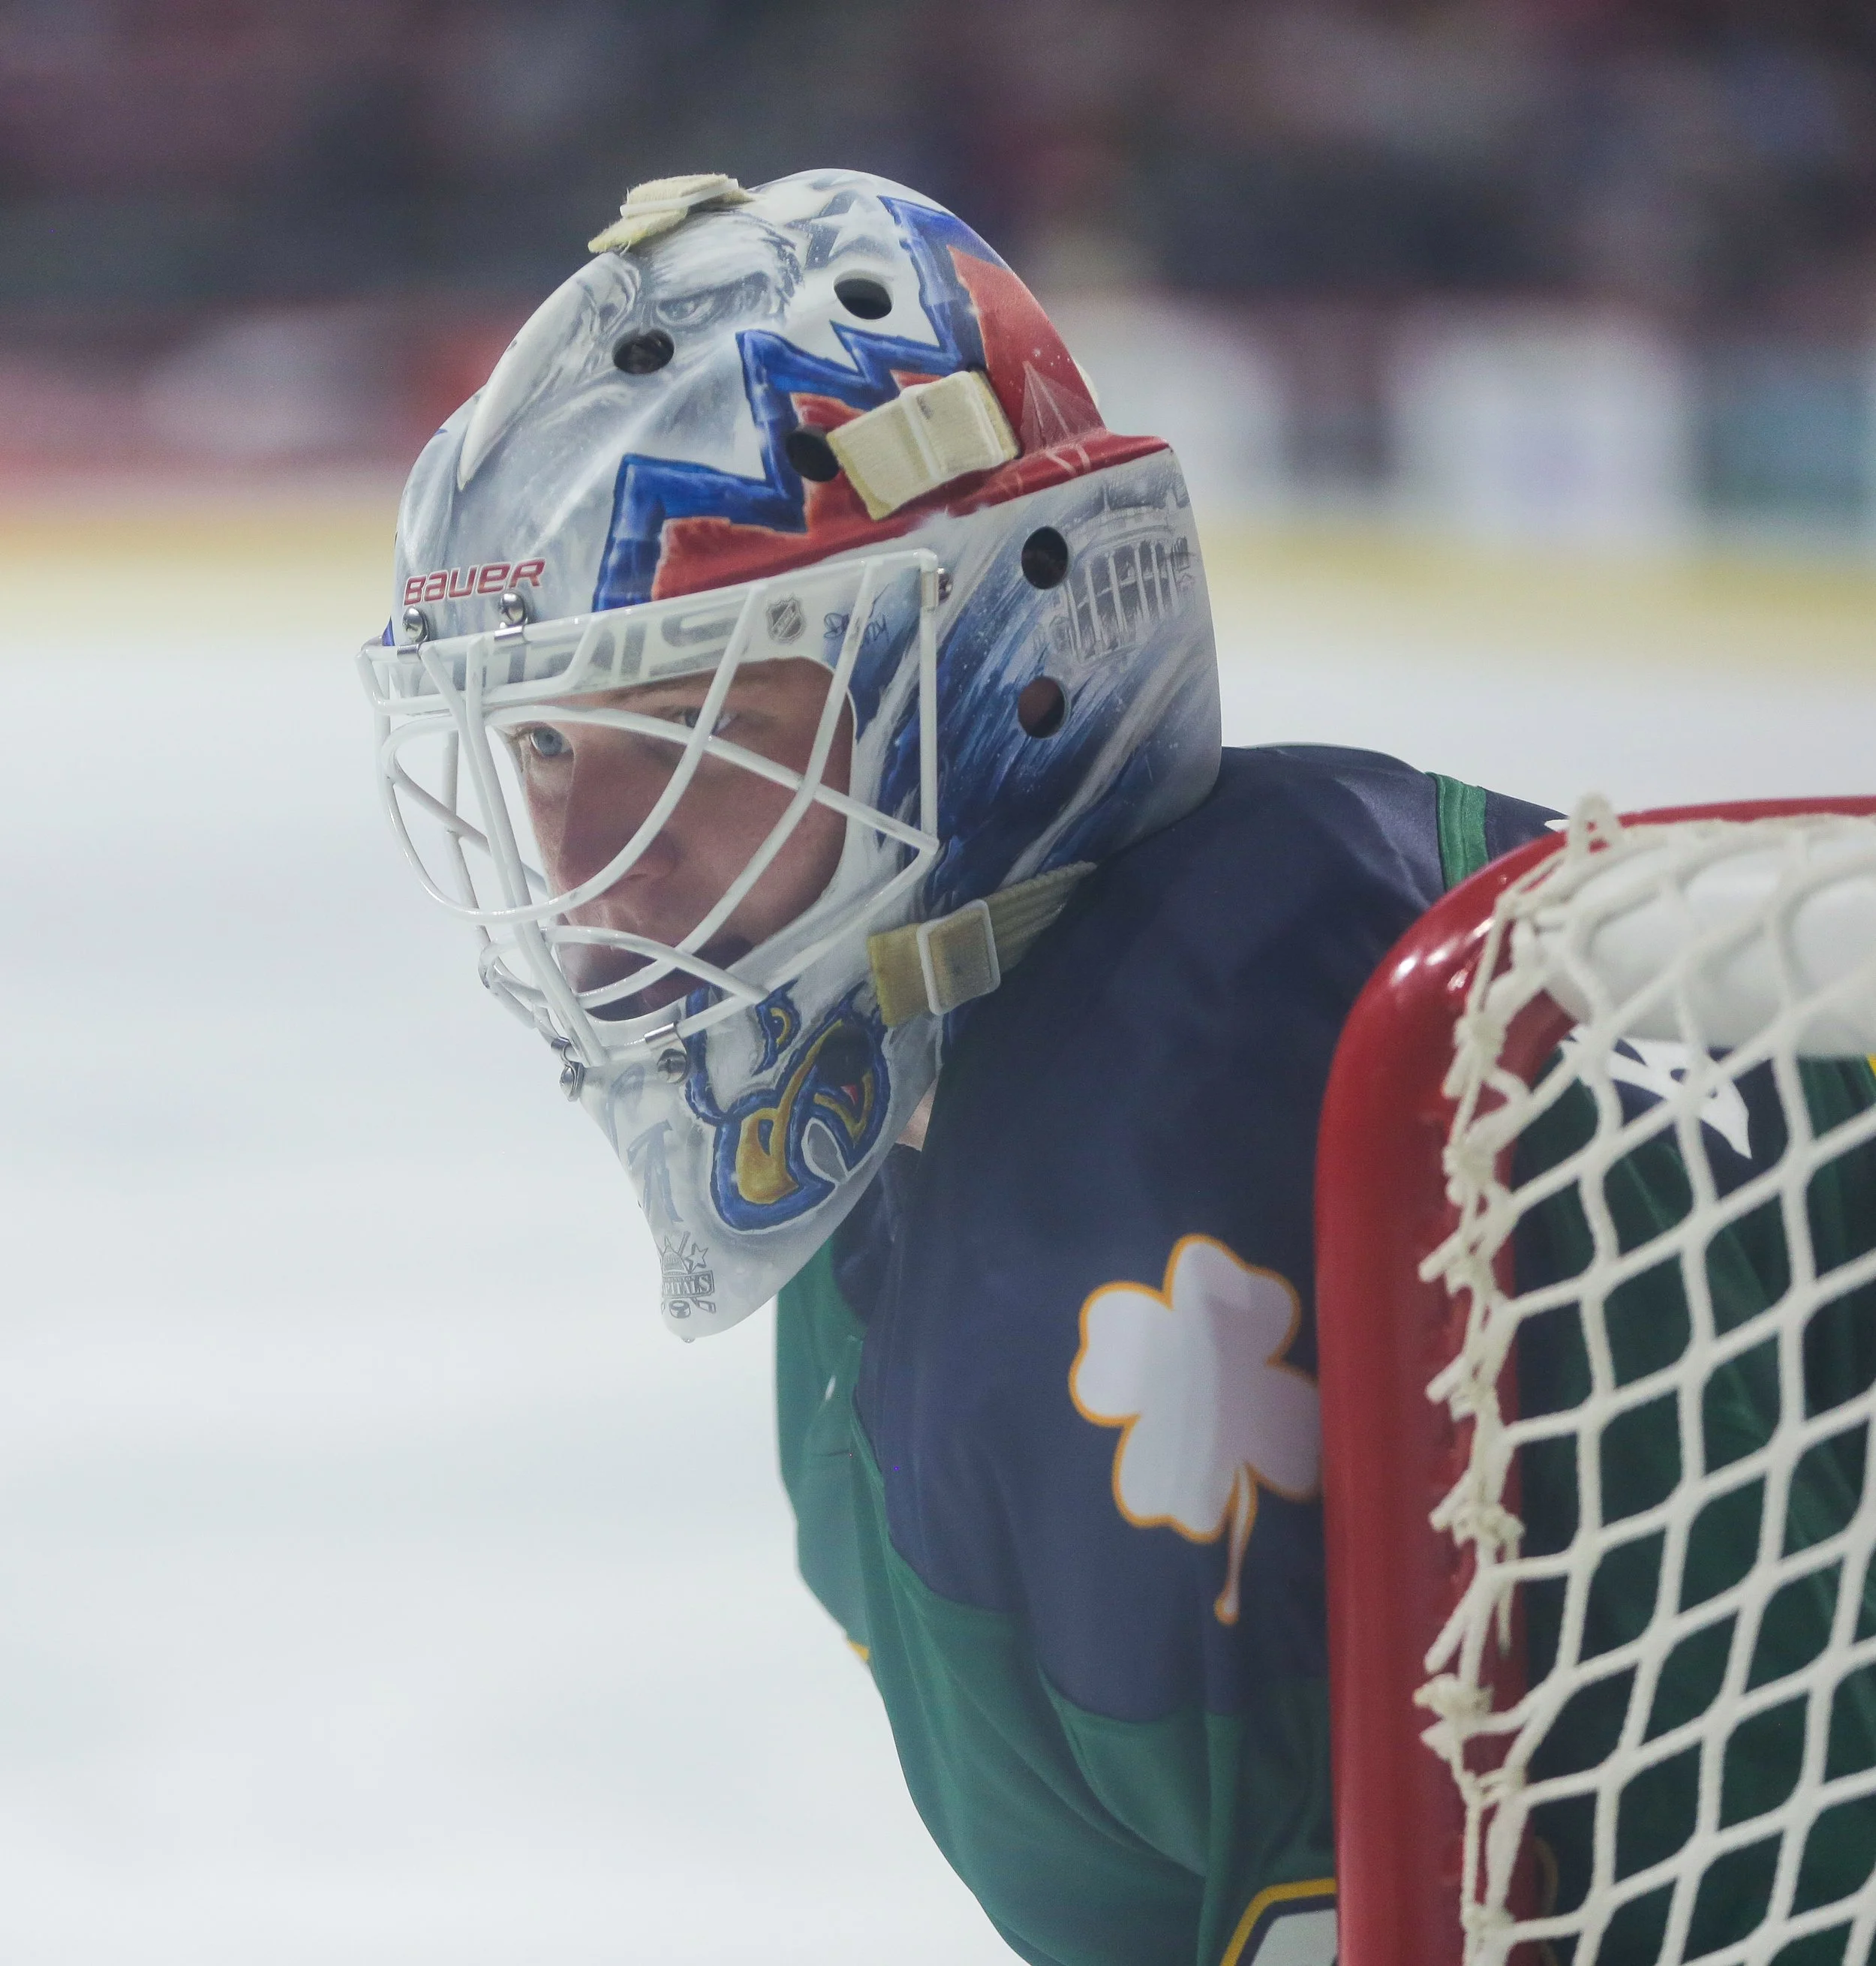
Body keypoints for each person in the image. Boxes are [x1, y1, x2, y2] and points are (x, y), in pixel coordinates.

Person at [360, 170, 1874, 1966]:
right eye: (539, 738)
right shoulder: (1286, 928)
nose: (591, 855)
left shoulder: (1160, 1142)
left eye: (695, 720)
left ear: (1007, 664)